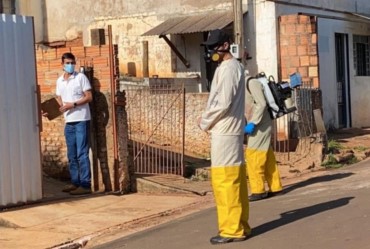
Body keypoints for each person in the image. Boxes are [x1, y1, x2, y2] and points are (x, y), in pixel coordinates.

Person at [198, 29, 251, 245]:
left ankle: (231, 229)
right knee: (235, 179)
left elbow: (223, 103)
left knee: (225, 181)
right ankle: (240, 225)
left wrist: (204, 121)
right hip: (230, 129)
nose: (211, 51)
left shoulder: (229, 69)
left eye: (214, 47)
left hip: (225, 130)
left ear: (226, 45)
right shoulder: (228, 67)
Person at [44, 52, 93, 195]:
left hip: (81, 119)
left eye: (72, 63)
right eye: (68, 63)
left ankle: (85, 185)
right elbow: (60, 101)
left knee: (82, 153)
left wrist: (74, 104)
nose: (70, 65)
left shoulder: (81, 78)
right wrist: (50, 111)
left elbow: (89, 97)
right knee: (71, 154)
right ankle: (75, 183)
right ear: (62, 65)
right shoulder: (60, 81)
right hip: (69, 122)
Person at [244, 76, 283, 201]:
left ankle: (258, 190)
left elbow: (261, 104)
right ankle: (275, 187)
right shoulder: (243, 84)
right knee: (267, 155)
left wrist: (253, 123)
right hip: (257, 123)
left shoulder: (251, 83)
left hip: (260, 124)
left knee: (253, 155)